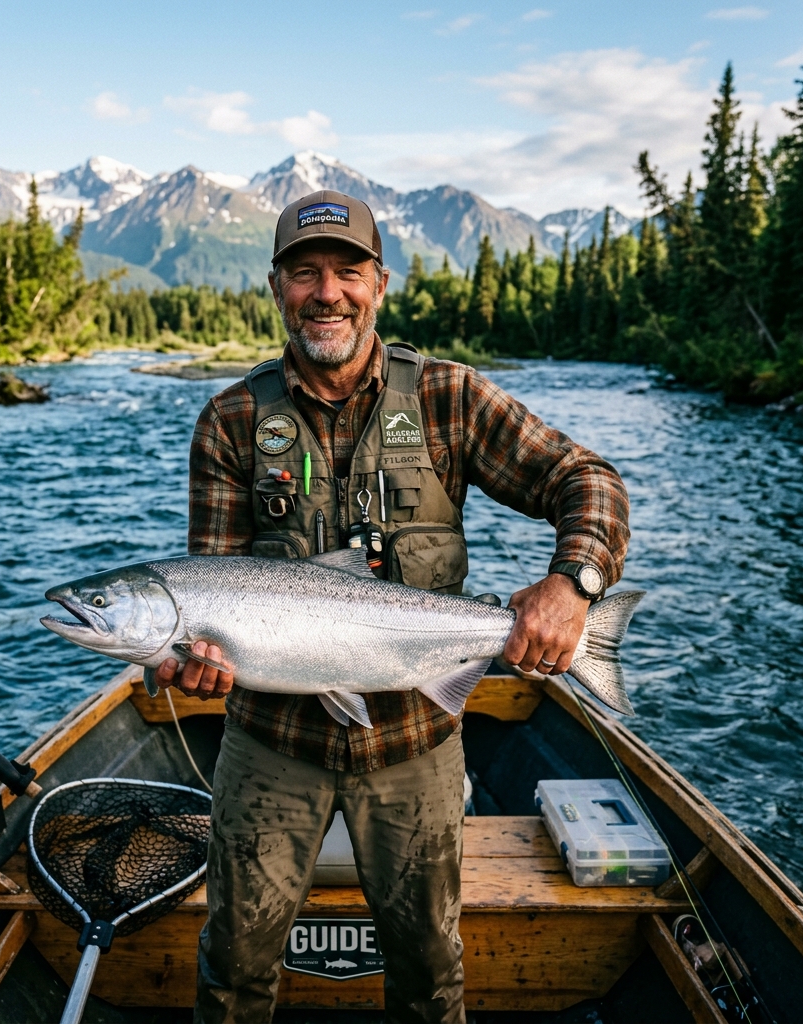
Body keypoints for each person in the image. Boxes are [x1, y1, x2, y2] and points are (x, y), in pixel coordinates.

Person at [156, 190, 630, 1024]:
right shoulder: (230, 419)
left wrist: (574, 585)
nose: (326, 292)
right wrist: (193, 668)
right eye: (305, 273)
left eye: (347, 271)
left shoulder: (450, 398)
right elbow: (212, 584)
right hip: (271, 748)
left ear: (380, 282)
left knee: (430, 974)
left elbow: (588, 479)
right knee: (230, 972)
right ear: (275, 287)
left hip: (418, 744)